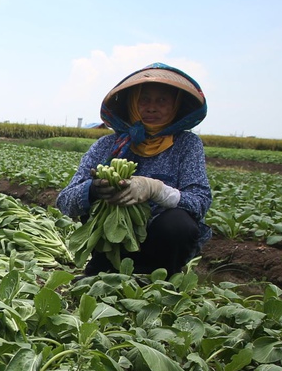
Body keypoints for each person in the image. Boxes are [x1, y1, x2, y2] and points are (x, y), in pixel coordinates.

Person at [55, 63, 212, 274]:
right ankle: (104, 270)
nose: (152, 107)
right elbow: (65, 202)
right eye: (144, 99)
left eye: (162, 100)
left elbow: (200, 201)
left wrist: (156, 190)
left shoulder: (186, 145)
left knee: (179, 223)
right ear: (131, 104)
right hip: (111, 246)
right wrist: (93, 190)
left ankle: (156, 277)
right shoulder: (106, 146)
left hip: (161, 254)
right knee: (93, 207)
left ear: (176, 105)